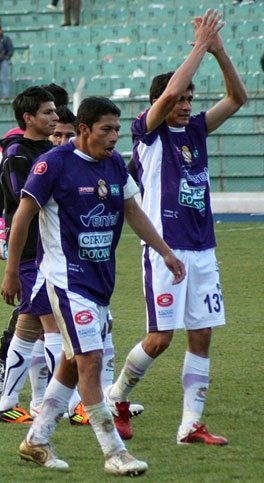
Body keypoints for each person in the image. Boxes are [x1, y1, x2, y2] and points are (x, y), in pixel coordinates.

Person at [3, 96, 186, 475]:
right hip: (66, 282)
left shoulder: (114, 164)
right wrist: (11, 271)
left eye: (117, 129)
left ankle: (36, 440)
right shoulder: (53, 164)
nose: (114, 136)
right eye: (107, 129)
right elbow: (22, 217)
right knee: (90, 361)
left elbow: (133, 211)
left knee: (72, 365)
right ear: (84, 129)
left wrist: (166, 252)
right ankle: (114, 452)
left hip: (99, 283)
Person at [105, 9, 247, 446]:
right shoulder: (147, 134)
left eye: (190, 99)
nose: (185, 105)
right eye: (180, 99)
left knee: (201, 335)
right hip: (165, 249)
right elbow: (166, 96)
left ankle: (190, 425)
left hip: (203, 248)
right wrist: (200, 47)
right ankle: (117, 396)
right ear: (161, 103)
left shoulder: (197, 130)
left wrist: (218, 52)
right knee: (160, 338)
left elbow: (238, 97)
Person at [0, 87, 63, 424]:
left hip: (50, 250)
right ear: (28, 117)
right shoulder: (17, 155)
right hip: (33, 253)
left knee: (29, 325)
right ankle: (66, 403)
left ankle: (8, 404)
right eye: (48, 112)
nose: (55, 117)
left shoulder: (50, 150)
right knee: (54, 326)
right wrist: (11, 269)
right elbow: (25, 205)